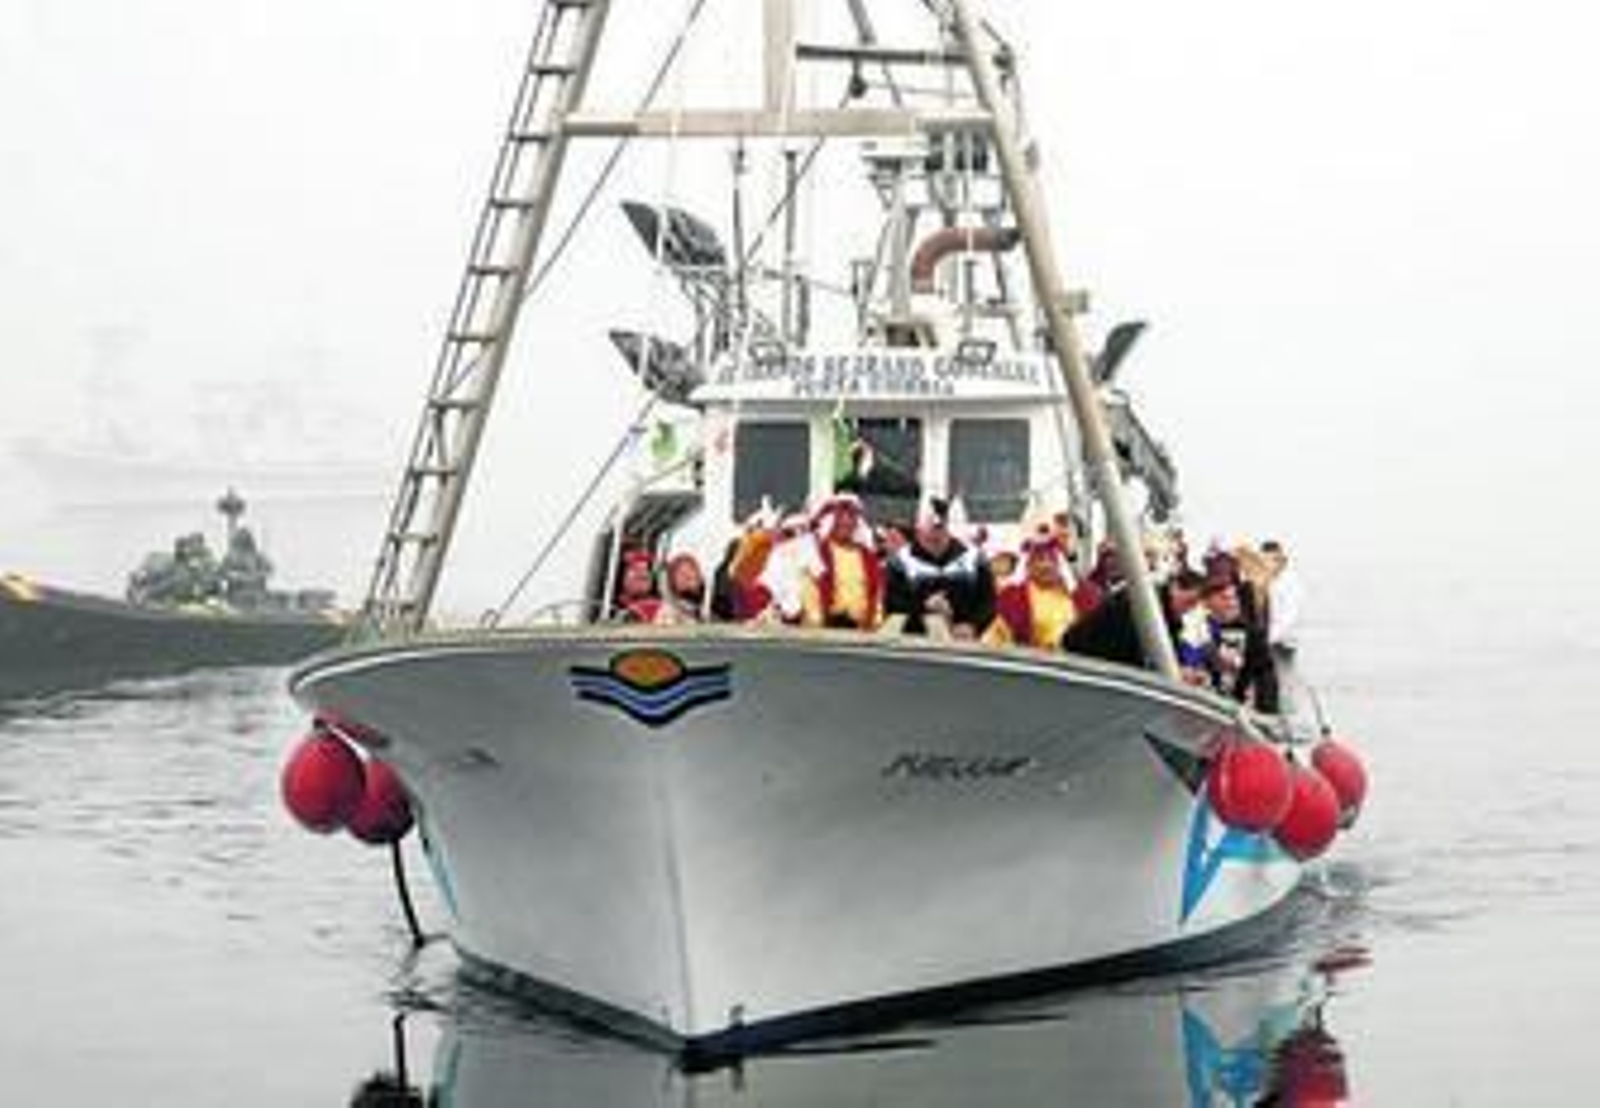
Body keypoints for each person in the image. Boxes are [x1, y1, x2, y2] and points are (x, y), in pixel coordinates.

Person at [882, 496, 995, 639]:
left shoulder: (973, 559)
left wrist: (973, 625)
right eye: (929, 529)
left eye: (939, 528)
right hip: (916, 645)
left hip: (963, 645)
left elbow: (988, 603)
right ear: (917, 528)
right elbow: (892, 607)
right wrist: (924, 608)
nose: (935, 535)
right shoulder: (901, 562)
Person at [1061, 566, 1206, 669]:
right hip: (1086, 665)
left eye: (1192, 606)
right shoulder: (1141, 606)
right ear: (1174, 587)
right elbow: (1135, 652)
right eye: (1189, 602)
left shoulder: (1165, 616)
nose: (1188, 610)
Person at [801, 493, 883, 630]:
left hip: (861, 631)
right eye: (841, 518)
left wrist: (874, 622)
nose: (846, 523)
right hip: (827, 629)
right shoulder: (817, 554)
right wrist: (817, 624)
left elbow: (876, 593)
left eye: (851, 518)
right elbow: (810, 592)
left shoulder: (868, 557)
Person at [985, 529, 1076, 649]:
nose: (1046, 565)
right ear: (1028, 567)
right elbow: (995, 643)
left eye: (1051, 560)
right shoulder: (1012, 598)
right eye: (1039, 560)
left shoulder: (1074, 594)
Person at [611, 547, 662, 623]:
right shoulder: (610, 606)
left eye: (646, 570)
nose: (642, 574)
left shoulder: (659, 608)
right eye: (635, 569)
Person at [655, 551, 707, 623]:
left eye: (691, 570)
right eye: (682, 573)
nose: (688, 575)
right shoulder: (667, 614)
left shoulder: (704, 612)